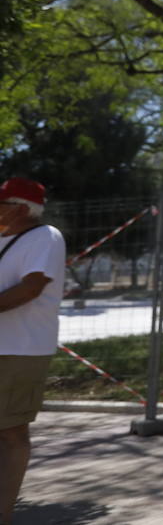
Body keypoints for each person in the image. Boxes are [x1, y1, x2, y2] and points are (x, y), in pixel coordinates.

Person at [0, 178, 65, 525]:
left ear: (21, 208)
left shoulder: (45, 237)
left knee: (10, 431)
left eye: (1, 203)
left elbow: (31, 288)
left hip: (20, 349)